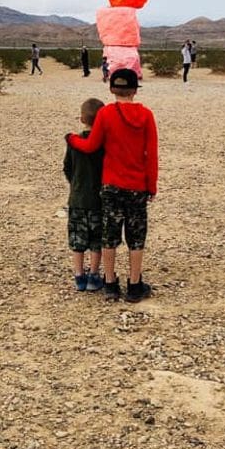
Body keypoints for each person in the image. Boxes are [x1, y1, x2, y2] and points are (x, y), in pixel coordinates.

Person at [66, 68, 158, 303]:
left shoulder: (106, 114)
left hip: (111, 186)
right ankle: (135, 284)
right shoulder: (146, 115)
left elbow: (90, 146)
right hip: (137, 185)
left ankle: (109, 282)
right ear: (135, 90)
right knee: (136, 237)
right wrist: (151, 186)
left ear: (112, 89)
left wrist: (71, 138)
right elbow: (152, 154)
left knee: (109, 235)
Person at [63, 98, 105, 292]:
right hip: (99, 199)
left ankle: (79, 275)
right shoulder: (104, 144)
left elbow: (67, 167)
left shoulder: (74, 142)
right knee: (97, 239)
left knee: (77, 239)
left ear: (82, 119)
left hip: (78, 198)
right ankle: (94, 275)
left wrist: (76, 183)